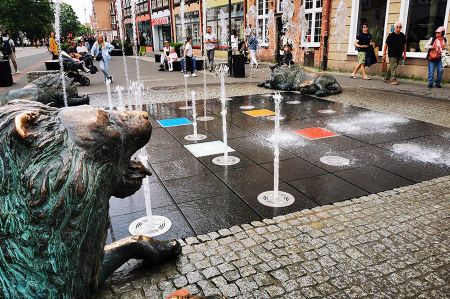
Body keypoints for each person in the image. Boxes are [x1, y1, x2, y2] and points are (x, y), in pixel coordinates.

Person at [383, 21, 406, 85]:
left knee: (393, 66)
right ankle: (393, 79)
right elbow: (385, 45)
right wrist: (384, 54)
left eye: (400, 27)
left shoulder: (402, 35)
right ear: (395, 27)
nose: (399, 28)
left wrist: (405, 53)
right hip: (392, 53)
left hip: (399, 54)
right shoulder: (391, 35)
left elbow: (404, 45)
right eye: (397, 27)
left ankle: (386, 78)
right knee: (393, 66)